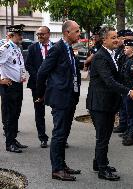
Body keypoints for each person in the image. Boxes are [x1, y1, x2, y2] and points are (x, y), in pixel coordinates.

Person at [86, 26, 133, 181]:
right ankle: (102, 170)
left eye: (117, 37)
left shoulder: (111, 54)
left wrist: (131, 88)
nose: (117, 40)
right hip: (100, 105)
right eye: (113, 37)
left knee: (104, 136)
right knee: (103, 137)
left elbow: (117, 79)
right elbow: (109, 81)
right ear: (104, 40)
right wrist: (129, 92)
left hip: (107, 104)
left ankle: (99, 163)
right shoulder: (101, 57)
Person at [36, 20, 81, 181]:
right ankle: (57, 169)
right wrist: (40, 95)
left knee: (64, 134)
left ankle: (62, 164)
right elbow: (41, 72)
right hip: (60, 98)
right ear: (67, 33)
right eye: (76, 31)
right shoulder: (57, 49)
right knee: (59, 134)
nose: (79, 34)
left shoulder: (69, 48)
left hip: (70, 98)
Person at [0, 24, 28, 153]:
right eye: (19, 34)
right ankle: (9, 143)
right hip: (9, 86)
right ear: (11, 35)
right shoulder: (5, 48)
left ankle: (13, 139)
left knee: (16, 114)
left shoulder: (16, 47)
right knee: (10, 115)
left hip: (17, 85)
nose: (21, 36)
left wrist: (22, 76)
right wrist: (1, 80)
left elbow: (18, 65)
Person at [25, 26, 51, 148]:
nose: (39, 36)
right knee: (39, 111)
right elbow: (28, 65)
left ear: (48, 34)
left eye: (42, 34)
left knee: (58, 111)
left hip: (53, 85)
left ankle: (60, 137)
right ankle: (42, 137)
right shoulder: (32, 48)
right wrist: (39, 77)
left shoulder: (55, 47)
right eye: (38, 34)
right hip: (37, 84)